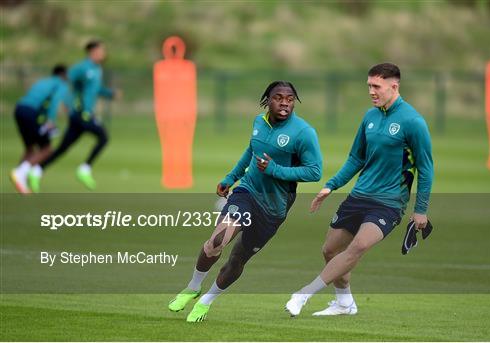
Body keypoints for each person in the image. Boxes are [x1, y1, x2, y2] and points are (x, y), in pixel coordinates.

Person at [285, 63, 434, 316]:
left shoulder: (413, 122)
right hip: (359, 196)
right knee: (330, 250)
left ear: (394, 86)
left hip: (389, 202)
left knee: (358, 247)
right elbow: (356, 158)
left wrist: (420, 210)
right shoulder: (370, 117)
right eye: (369, 86)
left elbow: (426, 168)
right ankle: (344, 303)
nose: (371, 91)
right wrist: (331, 186)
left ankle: (304, 294)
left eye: (376, 86)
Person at [168, 81, 323, 322]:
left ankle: (206, 300)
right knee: (216, 241)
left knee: (238, 259)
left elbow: (314, 171)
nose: (284, 102)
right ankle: (193, 286)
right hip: (247, 193)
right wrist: (232, 177)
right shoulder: (259, 123)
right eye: (278, 97)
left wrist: (275, 169)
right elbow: (251, 151)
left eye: (290, 99)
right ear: (267, 100)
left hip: (274, 208)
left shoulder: (304, 133)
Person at [28, 40, 121, 192]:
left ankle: (37, 170)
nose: (103, 54)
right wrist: (67, 103)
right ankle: (84, 169)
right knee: (103, 137)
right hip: (81, 114)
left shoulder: (97, 69)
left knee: (63, 147)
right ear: (92, 51)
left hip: (81, 116)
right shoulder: (82, 67)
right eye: (101, 51)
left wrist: (111, 94)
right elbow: (63, 83)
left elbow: (95, 89)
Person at [10, 64, 70, 194]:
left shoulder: (43, 82)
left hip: (19, 109)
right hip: (30, 113)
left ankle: (20, 181)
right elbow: (54, 102)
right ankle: (19, 172)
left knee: (30, 148)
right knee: (47, 149)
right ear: (63, 75)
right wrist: (51, 121)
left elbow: (37, 100)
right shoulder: (61, 84)